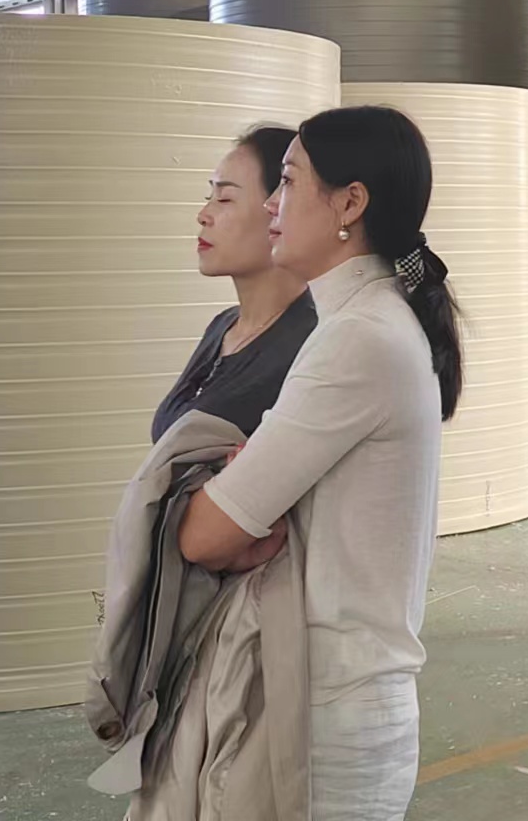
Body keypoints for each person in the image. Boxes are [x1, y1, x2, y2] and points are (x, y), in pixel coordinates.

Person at [178, 105, 458, 821]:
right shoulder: (363, 321)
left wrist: (226, 501)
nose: (273, 204)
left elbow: (203, 534)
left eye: (290, 181)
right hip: (328, 700)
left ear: (350, 204)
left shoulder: (357, 338)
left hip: (332, 716)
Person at [149, 126, 319, 443]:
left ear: (280, 209)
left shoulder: (313, 342)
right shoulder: (223, 326)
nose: (203, 215)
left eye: (225, 199)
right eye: (209, 197)